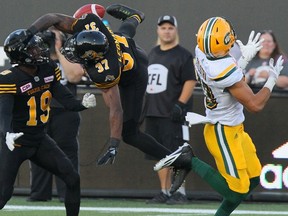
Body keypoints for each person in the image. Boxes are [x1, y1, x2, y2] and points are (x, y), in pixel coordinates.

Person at [7, 4, 187, 176]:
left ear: (92, 57)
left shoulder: (104, 71)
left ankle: (175, 158)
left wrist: (113, 144)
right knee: (122, 35)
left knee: (130, 135)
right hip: (121, 44)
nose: (71, 51)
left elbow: (116, 108)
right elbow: (52, 17)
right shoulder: (90, 24)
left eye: (78, 53)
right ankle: (135, 16)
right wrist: (29, 32)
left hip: (134, 74)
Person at [154, 17, 283, 216]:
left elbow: (225, 77)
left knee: (254, 179)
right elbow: (255, 105)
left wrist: (242, 61)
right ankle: (188, 159)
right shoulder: (224, 70)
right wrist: (271, 80)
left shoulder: (202, 51)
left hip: (233, 127)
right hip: (222, 130)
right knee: (235, 192)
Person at [0, 29, 96, 216]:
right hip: (15, 142)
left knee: (72, 178)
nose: (40, 50)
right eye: (34, 48)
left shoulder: (48, 68)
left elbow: (65, 99)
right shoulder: (9, 78)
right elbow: (3, 113)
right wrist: (6, 133)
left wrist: (81, 104)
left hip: (39, 139)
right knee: (3, 194)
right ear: (22, 53)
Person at [28, 27, 85, 202]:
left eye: (54, 37)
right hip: (41, 110)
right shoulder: (38, 59)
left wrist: (59, 51)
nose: (51, 41)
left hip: (65, 112)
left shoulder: (70, 55)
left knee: (66, 152)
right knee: (39, 152)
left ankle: (68, 191)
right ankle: (39, 194)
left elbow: (75, 76)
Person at [145, 15, 197, 204]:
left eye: (170, 28)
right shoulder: (152, 53)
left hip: (173, 114)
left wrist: (180, 104)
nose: (167, 31)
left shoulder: (183, 55)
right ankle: (165, 191)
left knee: (177, 154)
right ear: (158, 30)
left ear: (176, 30)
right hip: (153, 112)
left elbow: (190, 81)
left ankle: (179, 192)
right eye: (163, 28)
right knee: (159, 155)